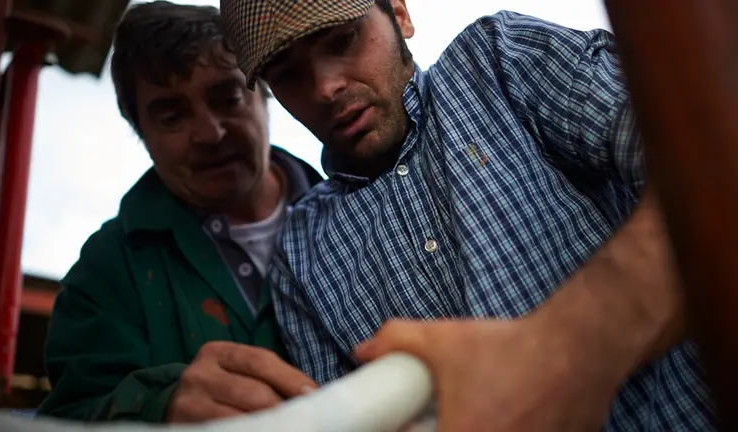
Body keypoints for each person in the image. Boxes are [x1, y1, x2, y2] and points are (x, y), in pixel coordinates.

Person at [219, 0, 714, 430]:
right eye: (288, 75)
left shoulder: (501, 62)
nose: (325, 87)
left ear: (398, 13)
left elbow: (709, 159)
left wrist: (564, 351)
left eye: (342, 40)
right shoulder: (300, 256)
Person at [37, 1, 321, 424]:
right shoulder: (105, 272)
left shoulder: (361, 213)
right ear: (141, 133)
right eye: (172, 116)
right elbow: (66, 418)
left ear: (265, 93)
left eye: (227, 98)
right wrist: (159, 407)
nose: (210, 133)